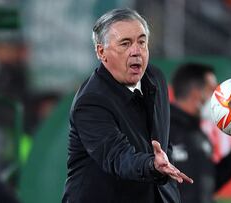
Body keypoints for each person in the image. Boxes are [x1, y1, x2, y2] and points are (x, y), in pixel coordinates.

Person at [62, 8, 192, 203]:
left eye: (142, 42)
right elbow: (118, 156)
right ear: (101, 51)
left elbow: (163, 143)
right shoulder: (90, 102)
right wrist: (151, 164)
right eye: (125, 43)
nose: (136, 51)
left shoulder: (155, 78)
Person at [169, 63, 231, 203]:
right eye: (213, 90)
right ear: (196, 93)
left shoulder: (200, 134)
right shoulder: (160, 129)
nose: (218, 98)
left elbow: (208, 183)